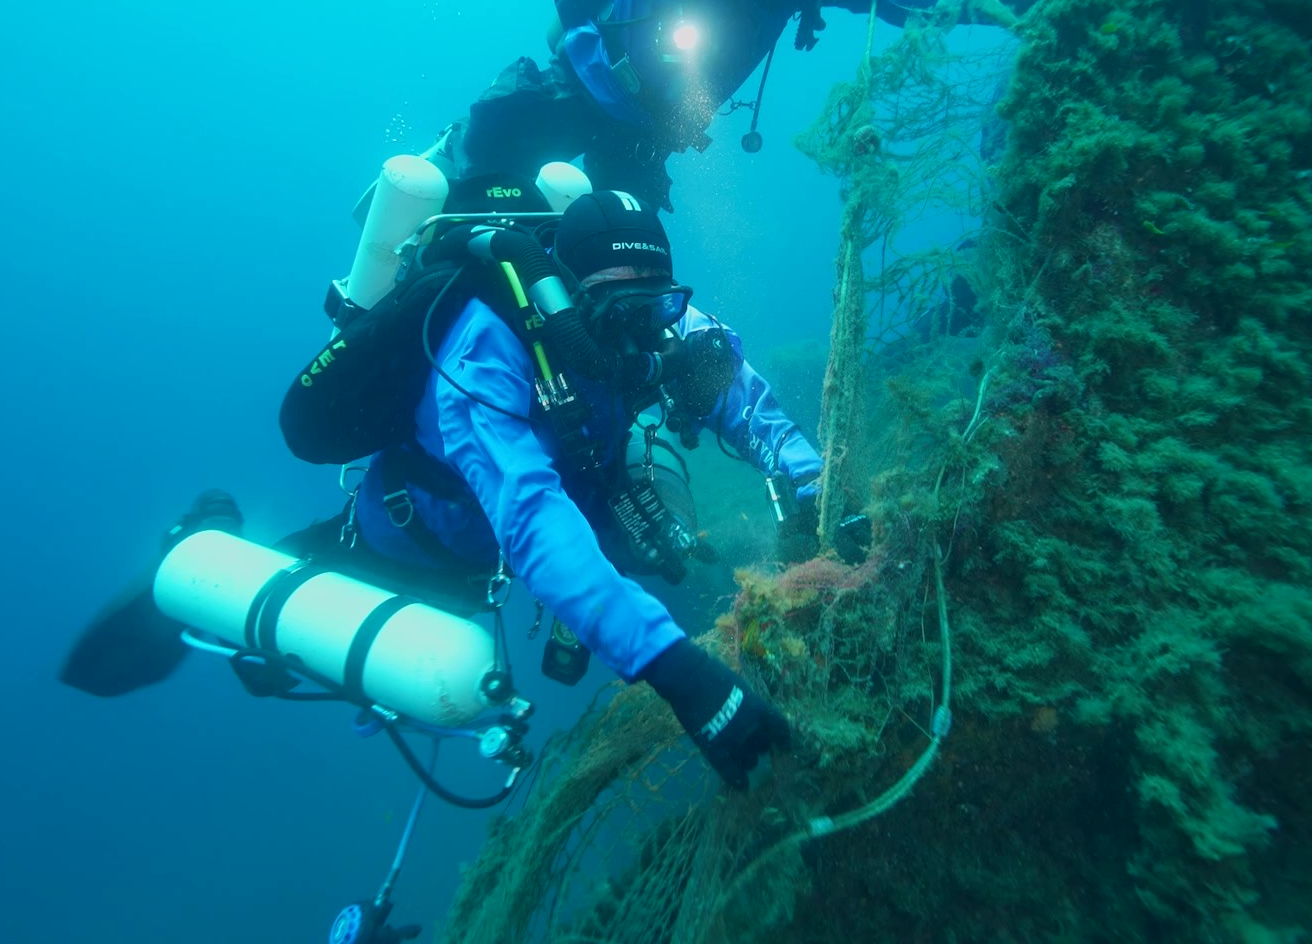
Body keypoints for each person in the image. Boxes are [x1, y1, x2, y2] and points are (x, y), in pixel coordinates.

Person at [64, 186, 842, 790]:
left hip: (559, 497)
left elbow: (734, 388)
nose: (645, 336)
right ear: (567, 295)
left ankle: (608, 616)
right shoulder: (482, 351)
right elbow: (530, 516)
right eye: (623, 314)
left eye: (660, 309)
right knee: (275, 665)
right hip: (415, 539)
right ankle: (203, 537)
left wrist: (813, 482)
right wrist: (681, 674)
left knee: (659, 551)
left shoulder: (654, 314)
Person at [443, 0, 1056, 211]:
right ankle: (445, 162)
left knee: (622, 306)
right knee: (465, 206)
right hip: (579, 89)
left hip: (647, 139)